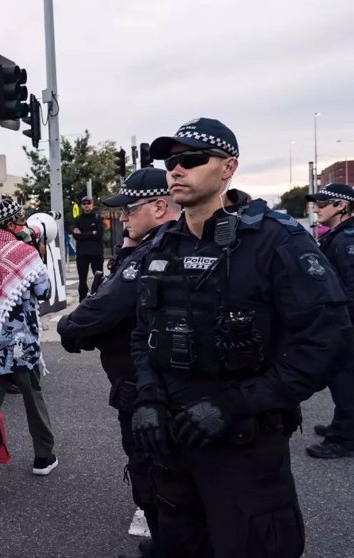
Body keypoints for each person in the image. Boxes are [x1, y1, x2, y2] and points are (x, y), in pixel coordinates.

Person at [129, 118, 351, 557]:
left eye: (191, 159)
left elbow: (327, 339)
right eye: (171, 161)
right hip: (174, 443)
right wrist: (149, 397)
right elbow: (143, 334)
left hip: (245, 445)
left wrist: (235, 404)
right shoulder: (161, 246)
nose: (176, 169)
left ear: (228, 167)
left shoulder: (275, 242)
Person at [57, 167, 178, 558]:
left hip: (145, 383)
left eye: (130, 209)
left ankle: (167, 544)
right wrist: (127, 244)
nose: (122, 217)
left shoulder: (157, 250)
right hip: (157, 378)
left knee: (154, 469)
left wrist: (69, 327)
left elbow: (108, 303)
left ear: (160, 207)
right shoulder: (162, 244)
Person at [0, 198, 57, 504]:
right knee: (34, 402)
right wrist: (36, 252)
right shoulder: (26, 253)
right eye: (20, 222)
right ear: (11, 224)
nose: (23, 227)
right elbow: (45, 292)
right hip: (23, 347)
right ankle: (43, 458)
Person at [303, 182, 354, 459]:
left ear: (342, 206)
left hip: (346, 324)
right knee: (341, 379)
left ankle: (344, 438)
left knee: (345, 380)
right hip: (343, 322)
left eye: (323, 203)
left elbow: (350, 288)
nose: (317, 208)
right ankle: (342, 424)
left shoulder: (347, 240)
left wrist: (340, 326)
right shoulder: (338, 235)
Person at [72, 195, 105, 301]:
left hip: (96, 253)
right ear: (81, 206)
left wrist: (83, 234)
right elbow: (76, 236)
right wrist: (91, 233)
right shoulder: (78, 219)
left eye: (88, 203)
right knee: (82, 279)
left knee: (99, 277)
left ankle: (99, 299)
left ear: (92, 205)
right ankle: (82, 301)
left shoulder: (97, 218)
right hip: (82, 253)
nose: (86, 206)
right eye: (84, 204)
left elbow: (99, 235)